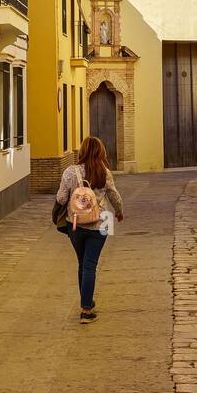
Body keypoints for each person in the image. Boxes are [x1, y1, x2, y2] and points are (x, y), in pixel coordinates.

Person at [55, 135, 124, 322]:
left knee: (82, 263)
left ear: (83, 151)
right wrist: (119, 212)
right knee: (90, 264)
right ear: (101, 152)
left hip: (75, 223)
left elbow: (61, 199)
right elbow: (115, 197)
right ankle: (86, 308)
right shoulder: (105, 172)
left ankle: (86, 302)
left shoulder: (70, 172)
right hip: (102, 222)